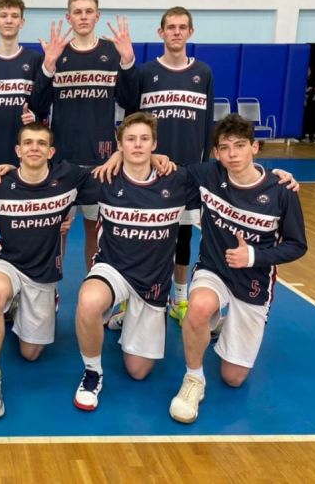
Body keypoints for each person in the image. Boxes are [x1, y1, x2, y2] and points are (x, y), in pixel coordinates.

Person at [169, 114, 307, 424]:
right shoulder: (208, 175)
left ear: (255, 147)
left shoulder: (282, 191)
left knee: (233, 378)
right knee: (198, 307)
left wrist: (253, 256)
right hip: (214, 269)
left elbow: (297, 245)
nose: (232, 154)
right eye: (225, 147)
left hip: (253, 280)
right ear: (215, 152)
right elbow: (167, 171)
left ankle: (226, 324)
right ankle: (193, 379)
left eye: (240, 145)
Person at [73, 112, 195, 411]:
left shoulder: (177, 180)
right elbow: (48, 174)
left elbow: (225, 176)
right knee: (88, 301)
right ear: (120, 146)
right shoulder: (103, 178)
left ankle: (134, 315)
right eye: (130, 139)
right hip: (113, 269)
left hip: (153, 281)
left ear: (155, 144)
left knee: (138, 372)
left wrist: (277, 179)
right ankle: (92, 373)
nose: (137, 145)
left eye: (144, 139)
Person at [0, 123, 100, 418]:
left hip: (42, 273)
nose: (34, 148)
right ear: (18, 151)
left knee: (30, 353)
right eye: (28, 143)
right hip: (8, 262)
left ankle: (18, 305)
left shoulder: (68, 177)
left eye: (41, 143)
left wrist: (123, 155)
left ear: (51, 151)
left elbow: (111, 175)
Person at [115, 6, 213, 324]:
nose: (176, 32)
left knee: (182, 238)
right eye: (171, 27)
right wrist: (126, 61)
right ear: (161, 32)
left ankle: (179, 298)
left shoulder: (203, 73)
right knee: (140, 238)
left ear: (190, 32)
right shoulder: (146, 73)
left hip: (186, 173)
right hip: (148, 173)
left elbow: (207, 125)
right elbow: (127, 112)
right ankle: (131, 297)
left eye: (182, 27)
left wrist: (205, 170)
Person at [31, 0, 136, 272]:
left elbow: (129, 102)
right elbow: (38, 107)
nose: (83, 17)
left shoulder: (112, 53)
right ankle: (50, 288)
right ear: (69, 18)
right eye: (77, 12)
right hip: (61, 160)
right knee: (58, 229)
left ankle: (93, 283)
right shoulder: (57, 53)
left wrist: (128, 62)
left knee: (94, 230)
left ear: (97, 16)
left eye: (89, 11)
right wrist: (48, 66)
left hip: (99, 162)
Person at [0, 0, 64, 273]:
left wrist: (34, 116)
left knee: (24, 227)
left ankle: (24, 280)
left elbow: (42, 104)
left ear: (22, 22)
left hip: (25, 158)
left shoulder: (34, 59)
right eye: (3, 15)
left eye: (14, 16)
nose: (9, 20)